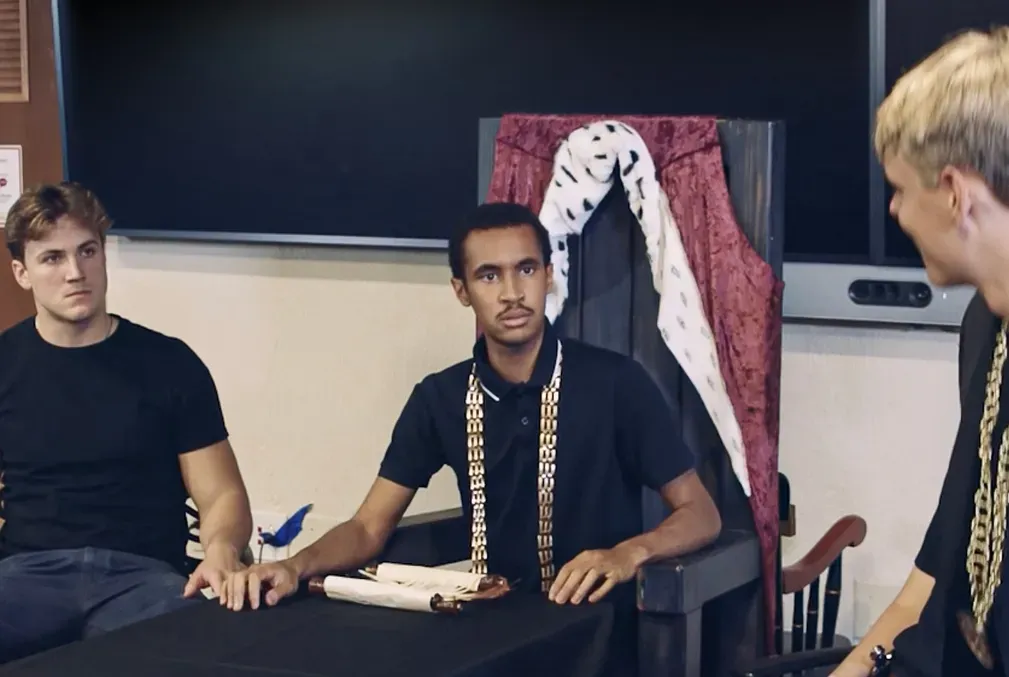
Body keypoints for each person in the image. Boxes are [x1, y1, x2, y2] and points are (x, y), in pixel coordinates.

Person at [225, 201, 720, 617]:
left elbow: (701, 513)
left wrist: (628, 554)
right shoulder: (438, 397)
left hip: (595, 621)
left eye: (526, 269)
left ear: (548, 276)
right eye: (488, 276)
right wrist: (294, 565)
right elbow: (368, 526)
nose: (511, 293)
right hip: (486, 622)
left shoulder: (616, 383)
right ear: (461, 291)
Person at [0, 182, 253, 663]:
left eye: (87, 251)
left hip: (142, 576)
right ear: (22, 272)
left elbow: (221, 494)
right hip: (27, 576)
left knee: (201, 655)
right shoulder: (5, 365)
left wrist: (222, 547)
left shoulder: (170, 363)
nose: (76, 273)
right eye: (52, 258)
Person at [831, 26, 1009, 677]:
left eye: (901, 189)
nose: (894, 210)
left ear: (955, 192)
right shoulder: (982, 329)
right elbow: (928, 582)